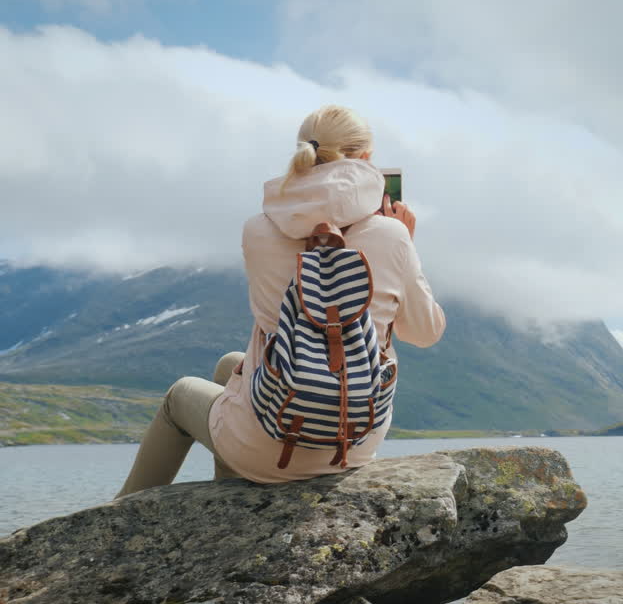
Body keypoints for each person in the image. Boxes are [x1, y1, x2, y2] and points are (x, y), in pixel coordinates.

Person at [116, 105, 446, 497]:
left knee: (180, 395)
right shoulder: (392, 235)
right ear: (367, 160)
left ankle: (118, 516)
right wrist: (406, 243)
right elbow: (423, 333)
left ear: (304, 153)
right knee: (229, 366)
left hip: (273, 442)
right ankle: (236, 498)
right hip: (353, 444)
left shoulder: (259, 230)